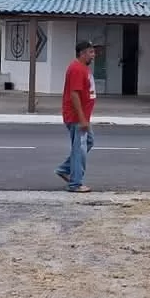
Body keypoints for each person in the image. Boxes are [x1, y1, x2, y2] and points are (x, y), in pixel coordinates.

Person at [55, 40, 97, 193]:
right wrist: (82, 119)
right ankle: (75, 183)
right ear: (83, 53)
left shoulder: (82, 68)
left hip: (82, 116)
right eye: (91, 52)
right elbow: (74, 95)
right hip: (76, 118)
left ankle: (64, 169)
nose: (94, 55)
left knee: (88, 142)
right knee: (80, 148)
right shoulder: (77, 69)